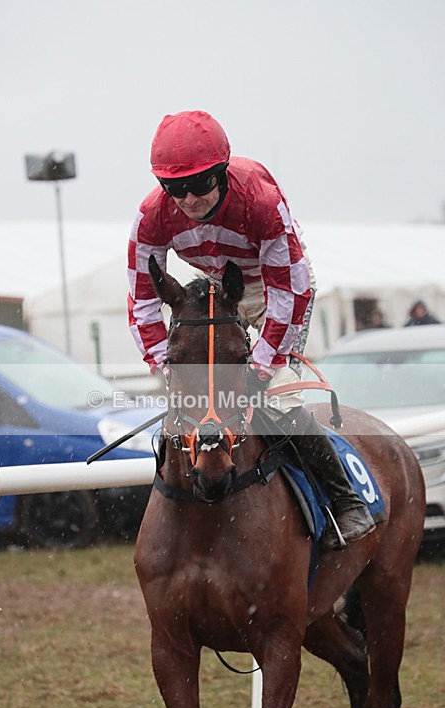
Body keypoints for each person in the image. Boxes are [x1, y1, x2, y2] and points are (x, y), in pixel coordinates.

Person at [127, 110, 374, 547]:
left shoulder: (260, 200)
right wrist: (166, 368)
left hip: (280, 287)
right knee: (193, 401)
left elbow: (285, 298)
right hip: (217, 294)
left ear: (221, 171)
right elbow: (143, 303)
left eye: (201, 183)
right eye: (174, 188)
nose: (189, 199)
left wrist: (258, 373)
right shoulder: (150, 216)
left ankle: (345, 500)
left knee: (277, 398)